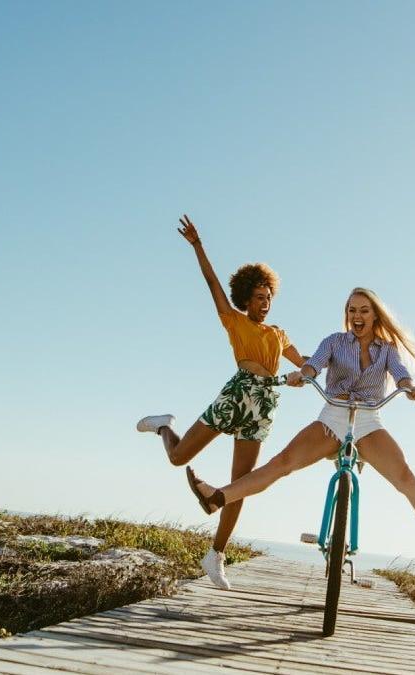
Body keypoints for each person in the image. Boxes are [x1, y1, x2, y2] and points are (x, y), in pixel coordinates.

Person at [185, 287, 415, 561]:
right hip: (333, 417)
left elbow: (400, 372)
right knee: (282, 462)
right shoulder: (334, 342)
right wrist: (303, 374)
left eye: (363, 310)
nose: (356, 316)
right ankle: (218, 498)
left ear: (375, 316)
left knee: (406, 479)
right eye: (351, 310)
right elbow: (314, 364)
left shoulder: (387, 349)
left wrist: (409, 387)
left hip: (368, 420)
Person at [137, 214, 309, 589]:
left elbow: (307, 362)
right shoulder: (234, 321)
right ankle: (164, 425)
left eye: (269, 298)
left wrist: (308, 372)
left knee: (241, 484)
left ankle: (215, 554)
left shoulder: (278, 334)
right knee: (178, 457)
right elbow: (211, 282)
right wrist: (198, 245)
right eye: (259, 298)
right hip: (236, 396)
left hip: (264, 407)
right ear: (246, 298)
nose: (265, 303)